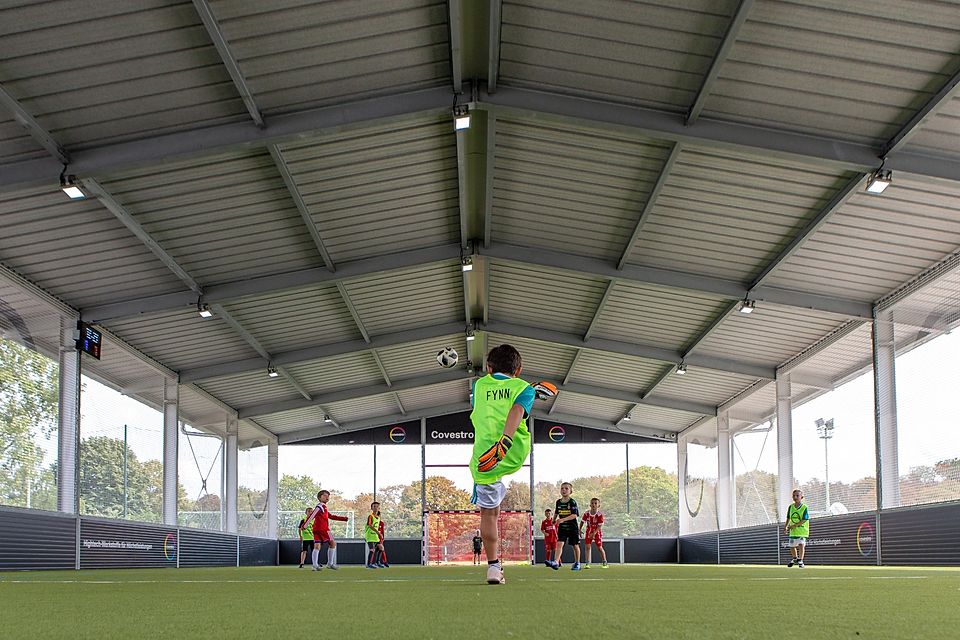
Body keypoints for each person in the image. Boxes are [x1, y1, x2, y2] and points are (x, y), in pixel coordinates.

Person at [469, 344, 554, 585]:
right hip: (515, 451)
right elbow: (517, 408)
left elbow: (490, 403)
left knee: (488, 514)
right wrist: (530, 392)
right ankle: (496, 568)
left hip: (486, 456)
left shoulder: (479, 385)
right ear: (519, 369)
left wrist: (499, 442)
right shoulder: (523, 388)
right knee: (492, 510)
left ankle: (493, 567)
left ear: (488, 367)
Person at [300, 489, 349, 571]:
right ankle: (329, 564)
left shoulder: (324, 507)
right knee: (332, 543)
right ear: (319, 497)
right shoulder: (320, 506)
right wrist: (304, 525)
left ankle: (315, 565)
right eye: (325, 496)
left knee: (317, 546)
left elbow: (330, 516)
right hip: (324, 529)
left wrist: (343, 519)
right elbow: (312, 515)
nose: (327, 497)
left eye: (328, 496)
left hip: (317, 529)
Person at [554, 482, 581, 570]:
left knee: (575, 545)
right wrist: (553, 520)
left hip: (572, 527)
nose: (564, 490)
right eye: (562, 488)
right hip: (562, 527)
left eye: (566, 488)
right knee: (559, 544)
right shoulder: (558, 502)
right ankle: (556, 562)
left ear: (570, 491)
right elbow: (556, 512)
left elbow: (574, 515)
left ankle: (577, 563)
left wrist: (562, 519)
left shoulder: (572, 502)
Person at [580, 497, 608, 569]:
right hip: (588, 532)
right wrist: (579, 529)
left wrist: (594, 533)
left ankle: (604, 562)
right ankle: (587, 563)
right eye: (592, 503)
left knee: (599, 547)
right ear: (590, 505)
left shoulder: (599, 515)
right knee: (587, 547)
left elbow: (599, 526)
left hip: (597, 532)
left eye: (595, 503)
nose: (593, 505)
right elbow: (582, 522)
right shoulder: (586, 513)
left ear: (598, 505)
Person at [784, 489, 810, 568]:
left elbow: (805, 519)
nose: (795, 497)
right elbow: (788, 517)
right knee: (792, 546)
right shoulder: (791, 507)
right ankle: (795, 558)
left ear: (801, 497)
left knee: (801, 544)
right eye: (794, 495)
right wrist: (786, 526)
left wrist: (794, 525)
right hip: (793, 531)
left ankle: (801, 560)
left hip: (802, 530)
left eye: (797, 495)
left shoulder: (804, 507)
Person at [364, 501, 384, 569]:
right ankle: (369, 564)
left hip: (375, 536)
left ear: (379, 508)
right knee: (372, 550)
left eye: (377, 506)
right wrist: (378, 532)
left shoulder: (378, 518)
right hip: (370, 536)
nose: (375, 508)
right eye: (374, 506)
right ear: (371, 508)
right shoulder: (370, 516)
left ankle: (377, 562)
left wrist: (380, 533)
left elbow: (377, 527)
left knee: (381, 548)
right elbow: (370, 525)